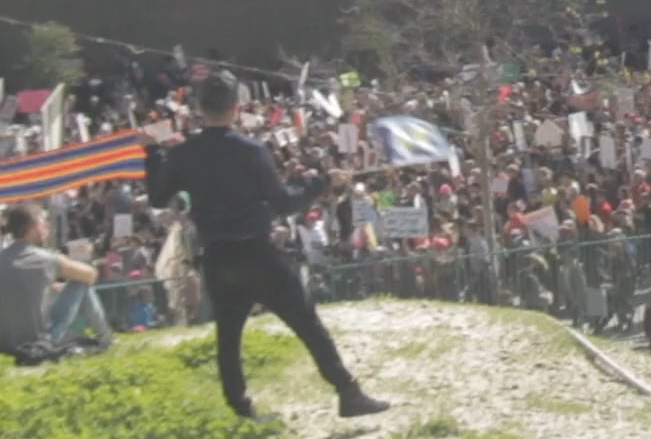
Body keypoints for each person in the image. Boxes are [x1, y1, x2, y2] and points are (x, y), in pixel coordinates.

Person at [143, 77, 388, 421]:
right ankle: (347, 392)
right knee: (307, 323)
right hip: (258, 253)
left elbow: (156, 197)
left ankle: (240, 410)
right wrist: (321, 183)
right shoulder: (251, 151)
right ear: (236, 108)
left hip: (217, 255)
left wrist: (152, 151)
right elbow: (284, 203)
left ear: (198, 110)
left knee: (228, 338)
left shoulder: (183, 154)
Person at [0, 204, 113, 361]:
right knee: (81, 283)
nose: (48, 225)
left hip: (6, 345)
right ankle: (106, 338)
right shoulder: (45, 259)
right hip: (40, 343)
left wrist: (52, 287)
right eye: (43, 222)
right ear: (32, 228)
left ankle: (105, 338)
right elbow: (91, 275)